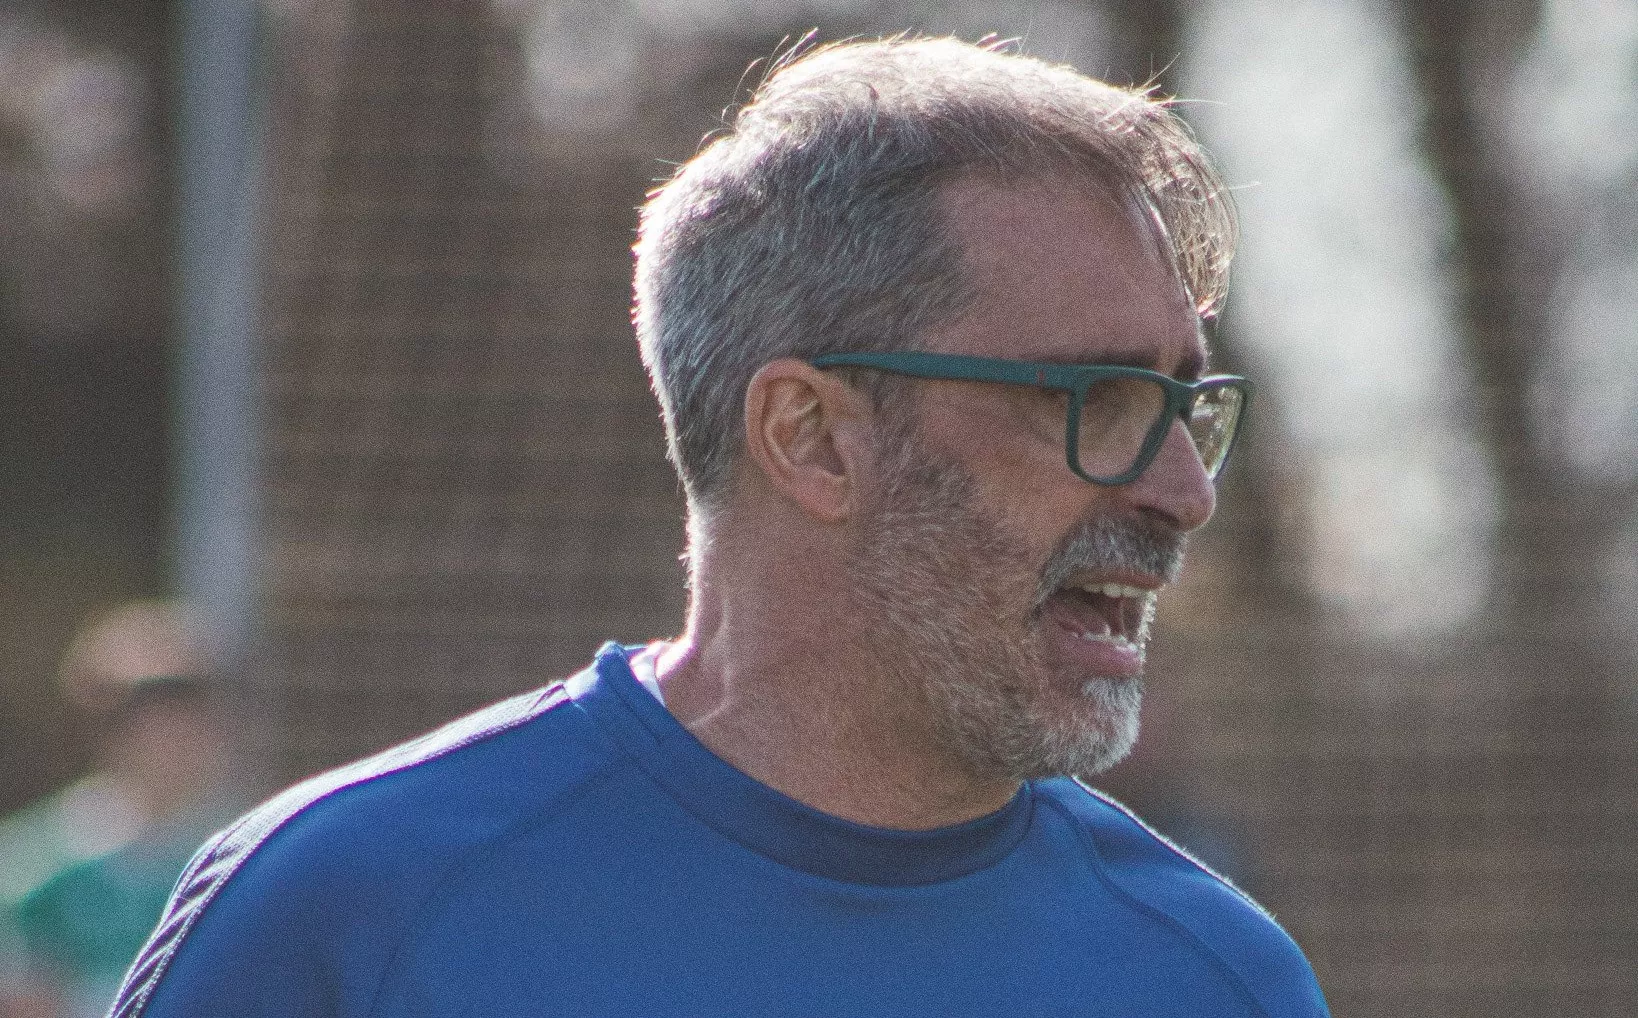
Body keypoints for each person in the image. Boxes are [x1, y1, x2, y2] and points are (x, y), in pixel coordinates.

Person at [109, 36, 1330, 1017]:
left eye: (1187, 404)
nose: (1184, 490)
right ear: (810, 435)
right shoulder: (347, 917)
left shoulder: (1215, 978)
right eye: (1096, 402)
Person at [0, 602, 239, 1018]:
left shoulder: (246, 856)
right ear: (104, 725)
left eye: (191, 709)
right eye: (147, 714)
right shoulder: (30, 868)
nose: (174, 737)